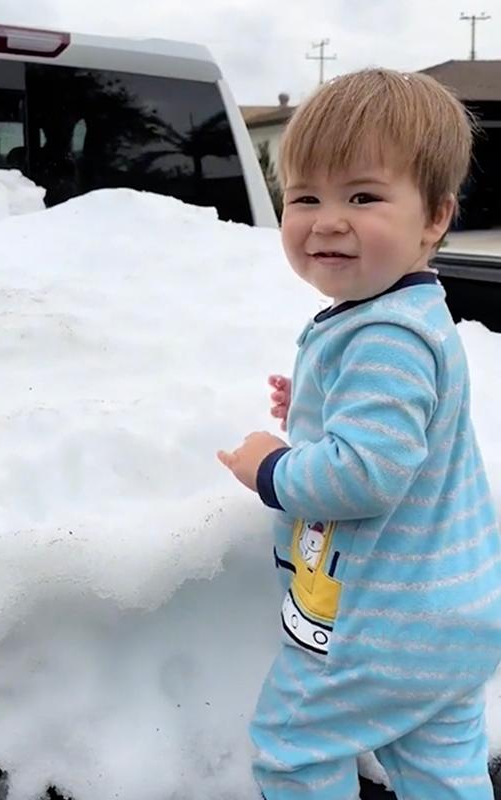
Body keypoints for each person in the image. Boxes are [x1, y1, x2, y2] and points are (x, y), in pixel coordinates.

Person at [216, 69, 501, 799]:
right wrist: (312, 410)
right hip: (450, 613)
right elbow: (405, 427)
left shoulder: (386, 336)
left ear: (435, 219)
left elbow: (365, 476)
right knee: (439, 767)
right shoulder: (408, 317)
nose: (327, 219)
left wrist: (272, 466)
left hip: (380, 621)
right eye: (305, 197)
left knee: (293, 750)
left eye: (363, 196)